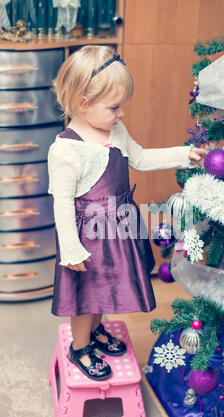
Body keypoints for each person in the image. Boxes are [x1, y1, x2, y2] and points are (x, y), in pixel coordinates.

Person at [47, 45, 207, 381]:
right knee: (87, 294)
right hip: (87, 237)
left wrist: (184, 154)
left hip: (118, 228)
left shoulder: (115, 131)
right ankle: (80, 346)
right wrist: (72, 249)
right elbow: (61, 203)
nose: (121, 114)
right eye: (114, 107)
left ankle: (95, 332)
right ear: (82, 103)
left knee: (105, 286)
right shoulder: (66, 149)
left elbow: (142, 158)